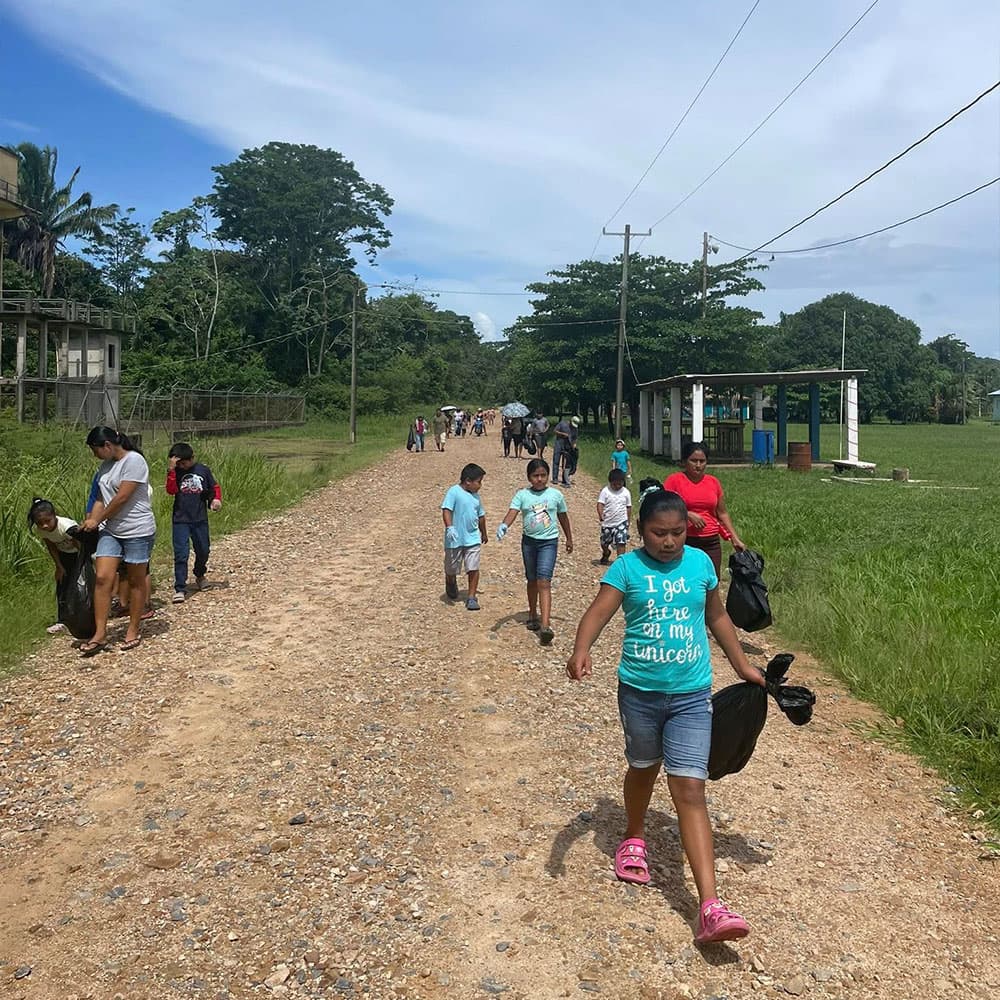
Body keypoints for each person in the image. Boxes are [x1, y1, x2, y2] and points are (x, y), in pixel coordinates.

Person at [566, 488, 765, 944]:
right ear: (642, 531)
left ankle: (710, 907)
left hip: (693, 695)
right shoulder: (628, 567)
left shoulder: (699, 565)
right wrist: (582, 649)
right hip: (639, 694)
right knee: (642, 765)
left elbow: (716, 617)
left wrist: (742, 665)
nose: (669, 541)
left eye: (677, 532)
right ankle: (633, 834)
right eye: (659, 533)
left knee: (690, 788)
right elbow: (598, 612)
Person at [79, 427, 157, 656]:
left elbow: (122, 497)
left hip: (137, 529)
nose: (95, 456)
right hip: (111, 530)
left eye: (95, 450)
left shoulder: (135, 461)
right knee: (103, 577)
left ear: (107, 446)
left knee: (135, 579)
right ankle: (100, 633)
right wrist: (92, 519)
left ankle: (133, 629)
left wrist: (98, 520)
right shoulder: (105, 466)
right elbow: (102, 498)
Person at [495, 458, 574, 645]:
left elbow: (563, 517)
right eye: (535, 476)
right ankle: (532, 613)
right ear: (529, 477)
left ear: (547, 476)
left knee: (544, 581)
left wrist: (569, 538)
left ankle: (545, 626)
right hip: (529, 543)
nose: (539, 479)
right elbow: (513, 511)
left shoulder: (556, 495)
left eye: (543, 475)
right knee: (532, 580)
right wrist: (504, 525)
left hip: (549, 542)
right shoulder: (522, 495)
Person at [663, 441, 745, 578]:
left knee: (711, 581)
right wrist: (687, 514)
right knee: (685, 580)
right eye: (693, 461)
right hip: (684, 540)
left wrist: (734, 538)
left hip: (711, 542)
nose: (698, 465)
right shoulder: (674, 480)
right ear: (684, 461)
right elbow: (664, 507)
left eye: (702, 461)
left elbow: (722, 513)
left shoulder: (713, 482)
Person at [167, 442, 222, 604]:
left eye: (184, 463)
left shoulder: (203, 470)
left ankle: (199, 574)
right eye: (179, 464)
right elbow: (171, 490)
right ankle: (180, 588)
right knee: (181, 554)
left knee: (203, 549)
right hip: (180, 520)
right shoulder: (175, 472)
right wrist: (171, 470)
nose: (182, 466)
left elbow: (214, 487)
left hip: (199, 519)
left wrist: (215, 500)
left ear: (192, 458)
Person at [27, 497, 80, 634]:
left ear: (54, 516)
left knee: (79, 585)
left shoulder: (67, 527)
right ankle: (62, 621)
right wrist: (59, 566)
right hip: (64, 556)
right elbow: (51, 546)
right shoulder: (41, 529)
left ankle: (85, 615)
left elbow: (80, 544)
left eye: (47, 521)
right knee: (62, 585)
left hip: (79, 554)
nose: (44, 525)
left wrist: (84, 564)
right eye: (40, 523)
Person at [441, 463, 488, 611]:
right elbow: (447, 510)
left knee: (473, 567)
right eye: (478, 482)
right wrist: (450, 527)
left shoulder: (476, 497)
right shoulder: (453, 492)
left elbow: (481, 516)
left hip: (472, 538)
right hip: (455, 539)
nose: (480, 485)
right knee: (451, 567)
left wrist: (484, 532)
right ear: (468, 481)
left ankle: (471, 597)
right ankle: (450, 580)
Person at [597, 469, 632, 565]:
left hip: (621, 522)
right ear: (610, 482)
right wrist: (600, 514)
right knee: (604, 542)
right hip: (608, 522)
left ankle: (620, 562)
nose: (617, 486)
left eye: (619, 484)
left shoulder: (626, 492)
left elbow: (628, 507)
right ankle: (606, 552)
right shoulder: (605, 491)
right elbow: (600, 504)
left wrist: (628, 521)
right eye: (614, 484)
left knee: (621, 542)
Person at [552, 415, 580, 486]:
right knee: (556, 461)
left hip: (568, 446)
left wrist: (574, 446)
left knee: (565, 463)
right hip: (559, 443)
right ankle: (555, 478)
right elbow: (555, 431)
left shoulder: (575, 429)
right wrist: (562, 434)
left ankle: (564, 479)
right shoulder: (562, 423)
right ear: (570, 421)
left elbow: (575, 438)